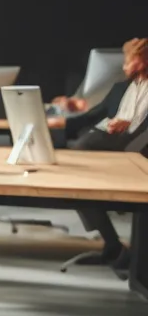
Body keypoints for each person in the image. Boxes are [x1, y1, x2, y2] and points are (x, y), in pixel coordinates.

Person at [61, 38, 147, 271]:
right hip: (105, 142)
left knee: (78, 157)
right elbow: (94, 114)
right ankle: (113, 245)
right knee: (76, 183)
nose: (124, 65)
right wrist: (61, 122)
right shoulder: (120, 88)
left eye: (129, 60)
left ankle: (116, 247)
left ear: (141, 60)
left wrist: (127, 124)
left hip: (135, 149)